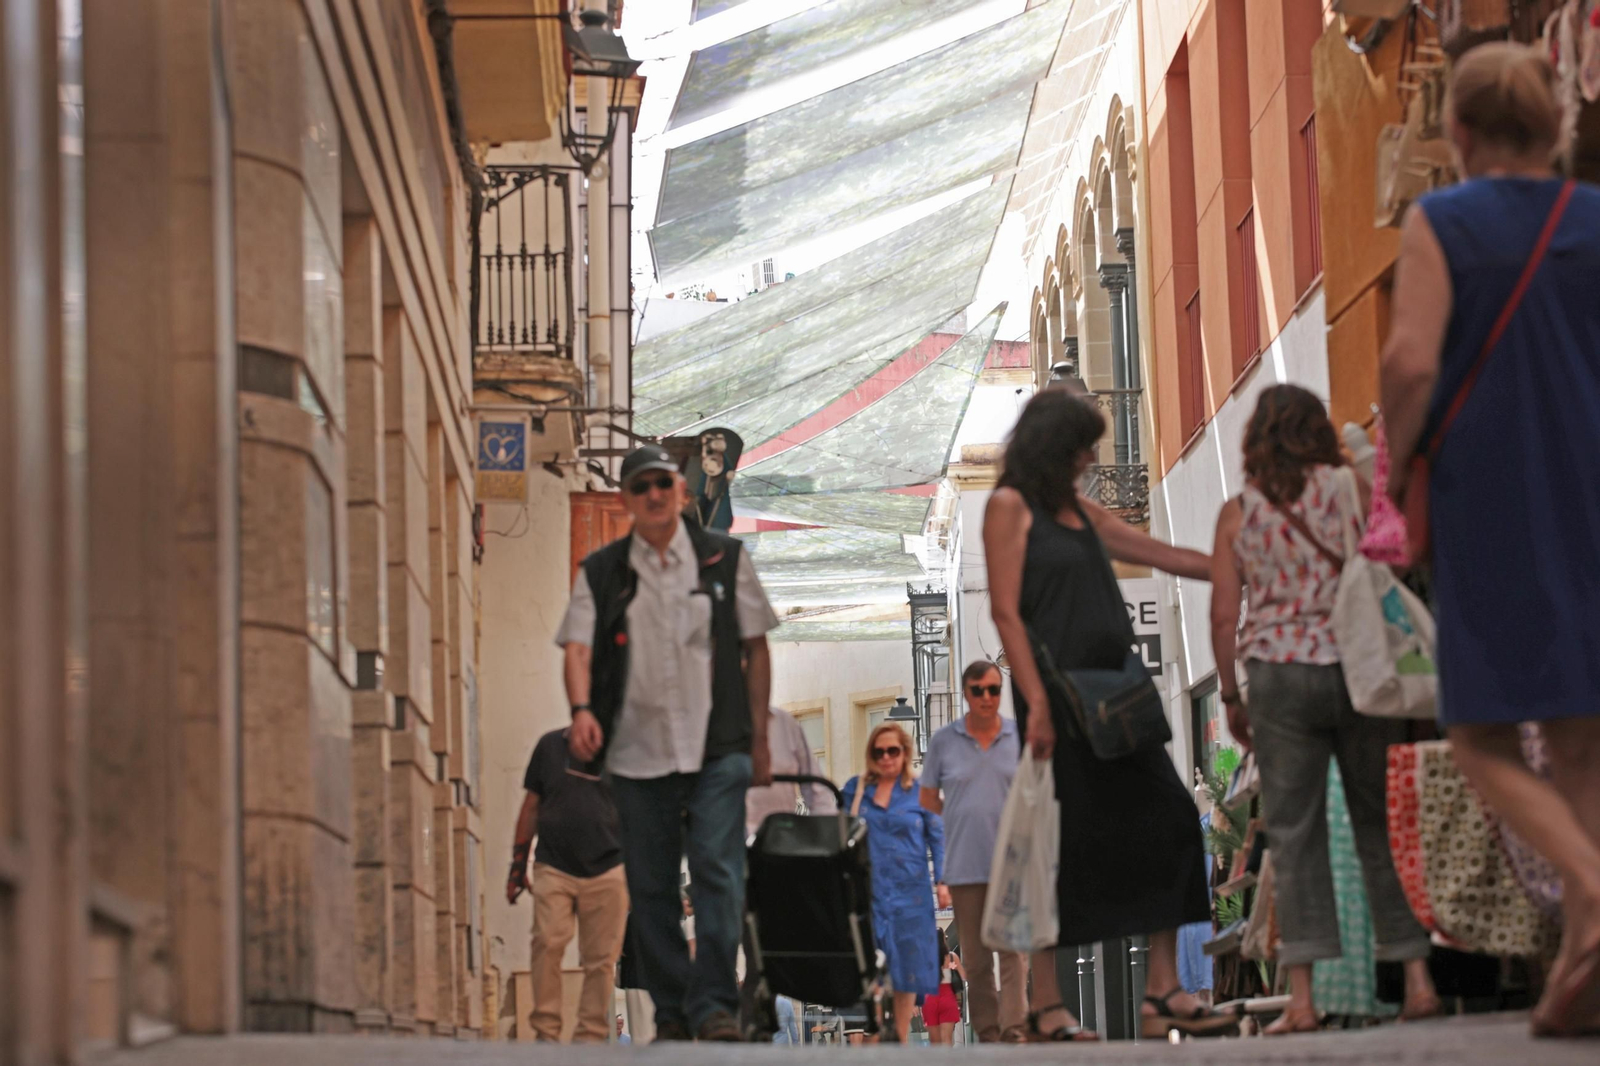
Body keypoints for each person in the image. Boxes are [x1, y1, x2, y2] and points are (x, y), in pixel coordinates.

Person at [1380, 42, 1600, 1038]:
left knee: (1476, 734)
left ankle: (1595, 891)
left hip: (1494, 494)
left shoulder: (1442, 220)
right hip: (1589, 486)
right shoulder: (1592, 217)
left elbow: (1411, 358)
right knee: (1579, 734)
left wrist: (1396, 459)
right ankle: (1581, 969)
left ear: (1456, 133)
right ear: (1554, 122)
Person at [983, 387, 1234, 1040]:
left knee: (1173, 819)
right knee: (1058, 846)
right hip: (1057, 702)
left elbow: (1163, 555)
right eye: (1084, 443)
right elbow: (1006, 612)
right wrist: (1035, 702)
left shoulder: (1078, 512)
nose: (1093, 455)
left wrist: (1236, 568)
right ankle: (1047, 1004)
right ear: (1054, 445)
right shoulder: (1010, 508)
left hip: (1118, 695)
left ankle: (1160, 992)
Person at [1208, 384, 1439, 1034]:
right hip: (1357, 668)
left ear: (1256, 440)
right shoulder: (1345, 488)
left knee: (1295, 834)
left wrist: (1229, 694)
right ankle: (1417, 980)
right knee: (1378, 824)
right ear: (1316, 432)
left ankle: (1303, 1001)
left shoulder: (1238, 514)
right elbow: (1393, 548)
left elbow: (1224, 613)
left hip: (1279, 679)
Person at [559, 444, 780, 1042]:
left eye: (663, 484)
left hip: (717, 748)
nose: (655, 495)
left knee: (718, 873)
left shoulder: (725, 559)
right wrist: (580, 710)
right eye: (642, 487)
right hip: (635, 754)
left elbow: (755, 648)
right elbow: (577, 648)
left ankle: (713, 1004)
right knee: (652, 887)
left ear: (680, 492)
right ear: (628, 500)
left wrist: (759, 737)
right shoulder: (602, 572)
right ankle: (674, 1009)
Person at [919, 660, 1028, 1042]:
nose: (987, 697)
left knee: (1013, 953)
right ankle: (988, 1032)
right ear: (966, 694)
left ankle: (1014, 1029)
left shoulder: (1017, 737)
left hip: (1011, 864)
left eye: (994, 689)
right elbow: (927, 796)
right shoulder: (944, 742)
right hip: (964, 866)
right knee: (979, 960)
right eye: (978, 690)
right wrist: (956, 818)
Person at [506, 726, 628, 1043]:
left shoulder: (626, 746)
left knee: (601, 959)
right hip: (554, 866)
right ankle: (546, 1034)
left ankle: (590, 1037)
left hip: (609, 867)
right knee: (546, 943)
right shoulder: (549, 746)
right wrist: (518, 865)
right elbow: (531, 805)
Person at [841, 722, 946, 1044]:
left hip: (911, 891)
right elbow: (840, 835)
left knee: (907, 965)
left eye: (893, 751)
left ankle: (898, 1036)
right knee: (867, 961)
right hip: (867, 889)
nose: (886, 757)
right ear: (871, 754)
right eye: (879, 751)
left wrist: (943, 881)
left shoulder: (921, 790)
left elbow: (938, 838)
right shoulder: (855, 789)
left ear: (904, 753)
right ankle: (877, 1026)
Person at [741, 706, 838, 1033]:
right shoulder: (705, 723)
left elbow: (818, 789)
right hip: (727, 854)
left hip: (776, 855)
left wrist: (823, 840)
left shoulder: (784, 726)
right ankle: (733, 1021)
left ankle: (756, 1018)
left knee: (764, 948)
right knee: (729, 938)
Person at [922, 928, 966, 1045]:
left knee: (934, 1042)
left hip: (930, 999)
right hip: (948, 999)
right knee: (947, 1040)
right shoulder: (951, 957)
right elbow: (964, 976)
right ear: (944, 939)